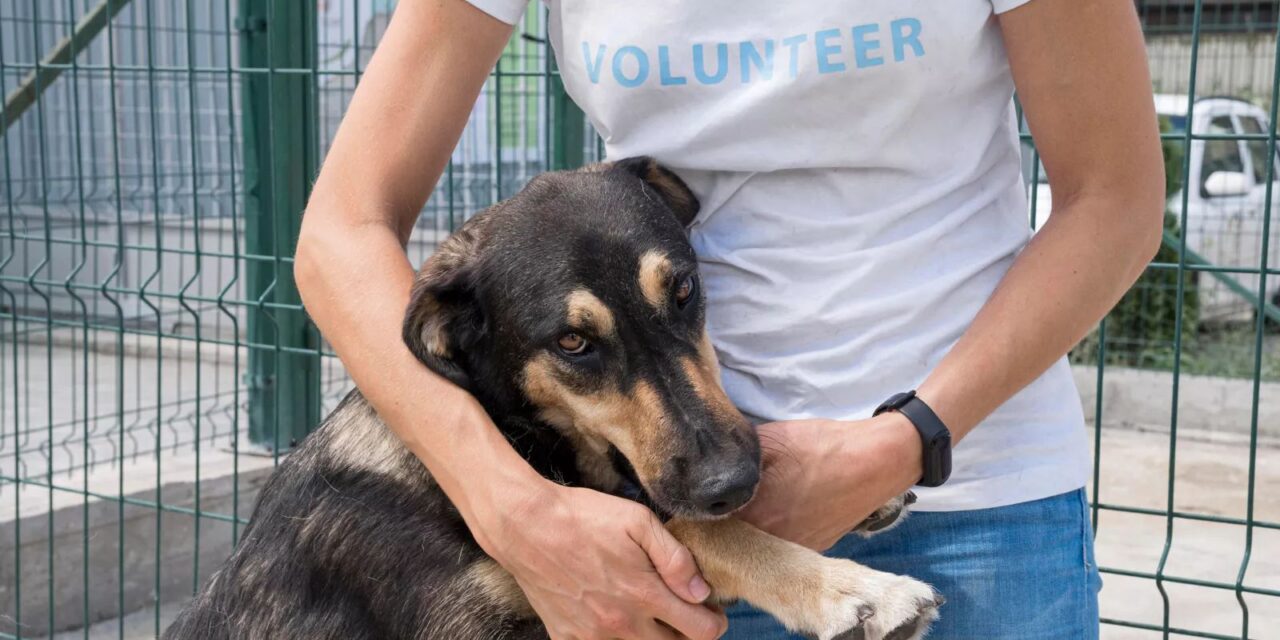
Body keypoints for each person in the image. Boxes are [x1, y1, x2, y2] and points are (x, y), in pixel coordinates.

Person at [295, 0, 1164, 637]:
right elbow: (341, 234)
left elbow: (1114, 201)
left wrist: (904, 442)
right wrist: (516, 512)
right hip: (664, 544)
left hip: (978, 498)